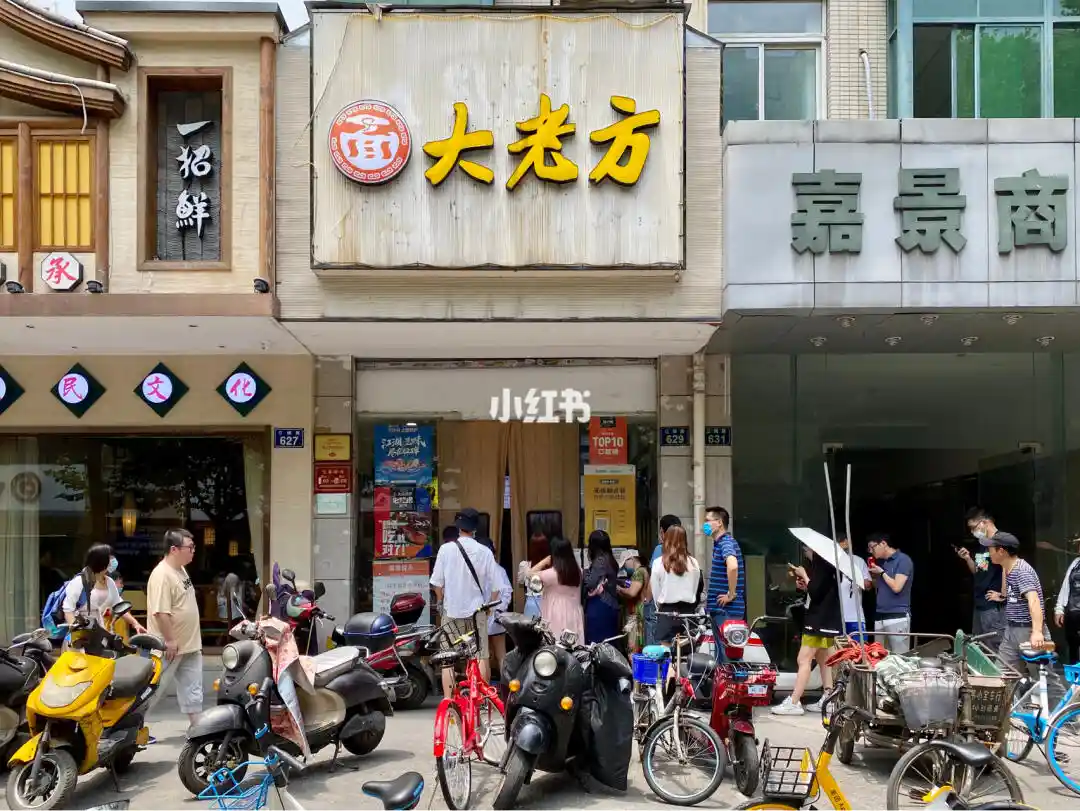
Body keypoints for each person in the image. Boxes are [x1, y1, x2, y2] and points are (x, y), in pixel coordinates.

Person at [430, 508, 501, 697]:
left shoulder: (446, 550)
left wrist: (441, 600)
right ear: (475, 528)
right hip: (477, 611)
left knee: (448, 660)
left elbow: (437, 583)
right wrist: (489, 608)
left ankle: (448, 701)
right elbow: (496, 587)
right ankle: (483, 700)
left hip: (451, 611)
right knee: (480, 656)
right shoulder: (485, 552)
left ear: (458, 526)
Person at [773, 546, 842, 716]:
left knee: (803, 659)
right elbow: (818, 590)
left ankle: (794, 701)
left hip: (817, 622)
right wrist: (806, 584)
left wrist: (804, 574)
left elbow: (817, 592)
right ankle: (829, 698)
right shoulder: (831, 567)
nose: (805, 552)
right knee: (823, 659)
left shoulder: (822, 567)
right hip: (826, 621)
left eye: (807, 550)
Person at [146, 528, 204, 724]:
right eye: (190, 547)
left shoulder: (181, 569)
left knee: (193, 692)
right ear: (174, 549)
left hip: (189, 645)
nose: (193, 551)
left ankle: (199, 730)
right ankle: (131, 729)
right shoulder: (162, 574)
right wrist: (170, 640)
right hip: (169, 647)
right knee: (152, 690)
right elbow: (161, 612)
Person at [984, 531, 1049, 676]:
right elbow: (1010, 595)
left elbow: (1034, 600)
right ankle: (1014, 698)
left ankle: (1065, 699)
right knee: (1001, 674)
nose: (989, 554)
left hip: (1027, 631)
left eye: (991, 549)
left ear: (1001, 551)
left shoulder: (1022, 571)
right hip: (1012, 630)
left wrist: (1037, 632)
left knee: (1044, 678)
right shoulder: (1009, 570)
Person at [62, 545, 146, 634]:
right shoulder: (79, 582)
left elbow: (118, 605)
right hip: (80, 639)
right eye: (110, 558)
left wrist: (135, 623)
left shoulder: (109, 582)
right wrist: (77, 633)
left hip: (100, 635)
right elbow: (68, 610)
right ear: (100, 561)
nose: (113, 561)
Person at [650, 525, 703, 643]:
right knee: (689, 654)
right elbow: (695, 589)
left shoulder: (659, 563)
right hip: (688, 614)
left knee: (666, 654)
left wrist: (660, 606)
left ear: (666, 540)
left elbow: (656, 592)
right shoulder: (694, 563)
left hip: (667, 613)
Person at [963, 508, 1007, 649]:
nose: (972, 532)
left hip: (993, 606)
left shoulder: (1000, 541)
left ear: (984, 522)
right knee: (978, 646)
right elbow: (978, 570)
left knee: (994, 646)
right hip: (980, 603)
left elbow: (1008, 567)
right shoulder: (983, 544)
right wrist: (967, 558)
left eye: (973, 527)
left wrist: (1003, 594)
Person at [528, 536, 585, 640]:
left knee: (555, 650)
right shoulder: (578, 571)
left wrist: (545, 561)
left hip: (555, 615)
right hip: (574, 615)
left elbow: (529, 574)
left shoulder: (552, 574)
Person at [867, 532, 914, 653]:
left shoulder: (903, 560)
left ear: (883, 543)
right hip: (880, 614)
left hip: (897, 615)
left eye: (872, 547)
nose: (871, 551)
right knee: (879, 657)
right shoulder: (882, 562)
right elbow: (879, 587)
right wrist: (874, 577)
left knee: (899, 657)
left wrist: (882, 573)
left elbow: (897, 587)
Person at [705, 506, 745, 646]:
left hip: (727, 611)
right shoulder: (721, 543)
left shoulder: (725, 543)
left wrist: (731, 594)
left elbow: (733, 566)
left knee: (728, 655)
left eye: (708, 521)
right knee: (724, 656)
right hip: (722, 610)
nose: (705, 525)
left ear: (719, 522)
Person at [478, 536, 512, 680]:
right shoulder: (499, 570)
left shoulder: (475, 571)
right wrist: (500, 610)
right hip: (496, 617)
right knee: (501, 655)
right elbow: (507, 592)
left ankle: (484, 691)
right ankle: (506, 690)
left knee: (482, 656)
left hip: (479, 618)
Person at [644, 515, 682, 646]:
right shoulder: (683, 551)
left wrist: (647, 600)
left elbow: (653, 579)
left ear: (662, 531)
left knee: (655, 643)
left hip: (659, 604)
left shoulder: (660, 549)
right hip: (678, 606)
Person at [583, 530, 620, 644]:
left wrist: (583, 572)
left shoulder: (600, 560)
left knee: (598, 644)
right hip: (610, 605)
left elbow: (590, 582)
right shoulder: (610, 558)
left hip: (600, 606)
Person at [837, 534, 871, 642]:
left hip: (856, 617)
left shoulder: (859, 561)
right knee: (837, 653)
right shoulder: (831, 562)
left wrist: (856, 577)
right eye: (842, 544)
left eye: (847, 543)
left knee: (860, 651)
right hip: (835, 617)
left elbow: (868, 585)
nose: (845, 546)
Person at [617, 553, 649, 653]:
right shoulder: (644, 570)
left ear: (631, 559)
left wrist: (619, 589)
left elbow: (632, 592)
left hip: (637, 616)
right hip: (640, 614)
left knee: (633, 649)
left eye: (625, 564)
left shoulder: (639, 572)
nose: (625, 568)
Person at [1055, 538, 1080, 664]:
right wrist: (1059, 608)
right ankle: (1076, 680)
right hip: (1073, 613)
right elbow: (1066, 586)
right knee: (1073, 647)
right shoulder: (1075, 563)